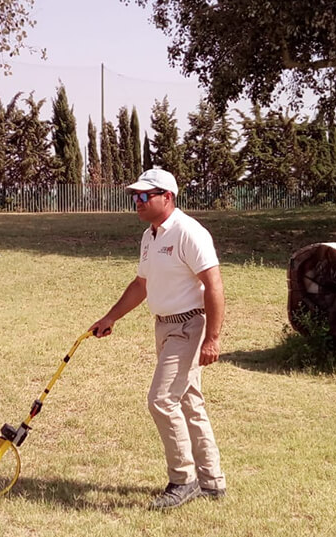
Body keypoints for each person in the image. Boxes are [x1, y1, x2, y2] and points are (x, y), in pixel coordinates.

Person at [90, 167, 227, 510]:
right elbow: (141, 285)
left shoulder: (188, 232)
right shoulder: (150, 236)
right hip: (164, 327)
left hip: (188, 326)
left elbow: (214, 285)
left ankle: (184, 480)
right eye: (134, 196)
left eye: (143, 196)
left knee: (162, 400)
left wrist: (212, 338)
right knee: (188, 402)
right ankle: (212, 481)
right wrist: (111, 317)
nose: (136, 202)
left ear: (167, 197)